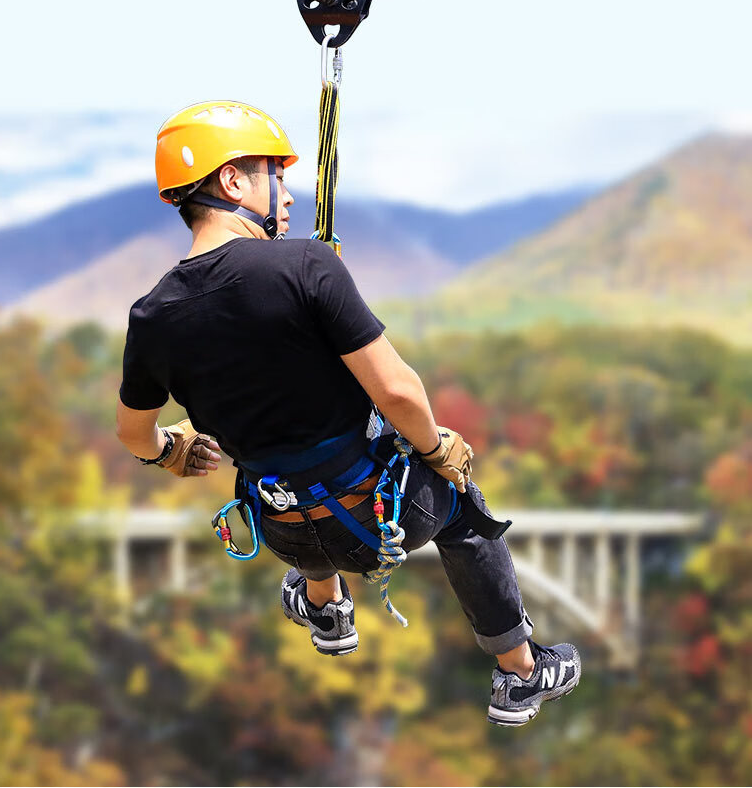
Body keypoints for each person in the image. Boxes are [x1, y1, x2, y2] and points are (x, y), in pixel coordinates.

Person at [116, 99, 581, 727]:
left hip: (283, 531)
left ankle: (328, 608)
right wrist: (437, 450)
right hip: (383, 517)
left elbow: (133, 433)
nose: (286, 195)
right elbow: (397, 392)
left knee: (283, 474)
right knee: (462, 504)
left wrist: (170, 450)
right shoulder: (307, 265)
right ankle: (521, 673)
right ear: (233, 180)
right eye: (274, 176)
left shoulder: (152, 314)